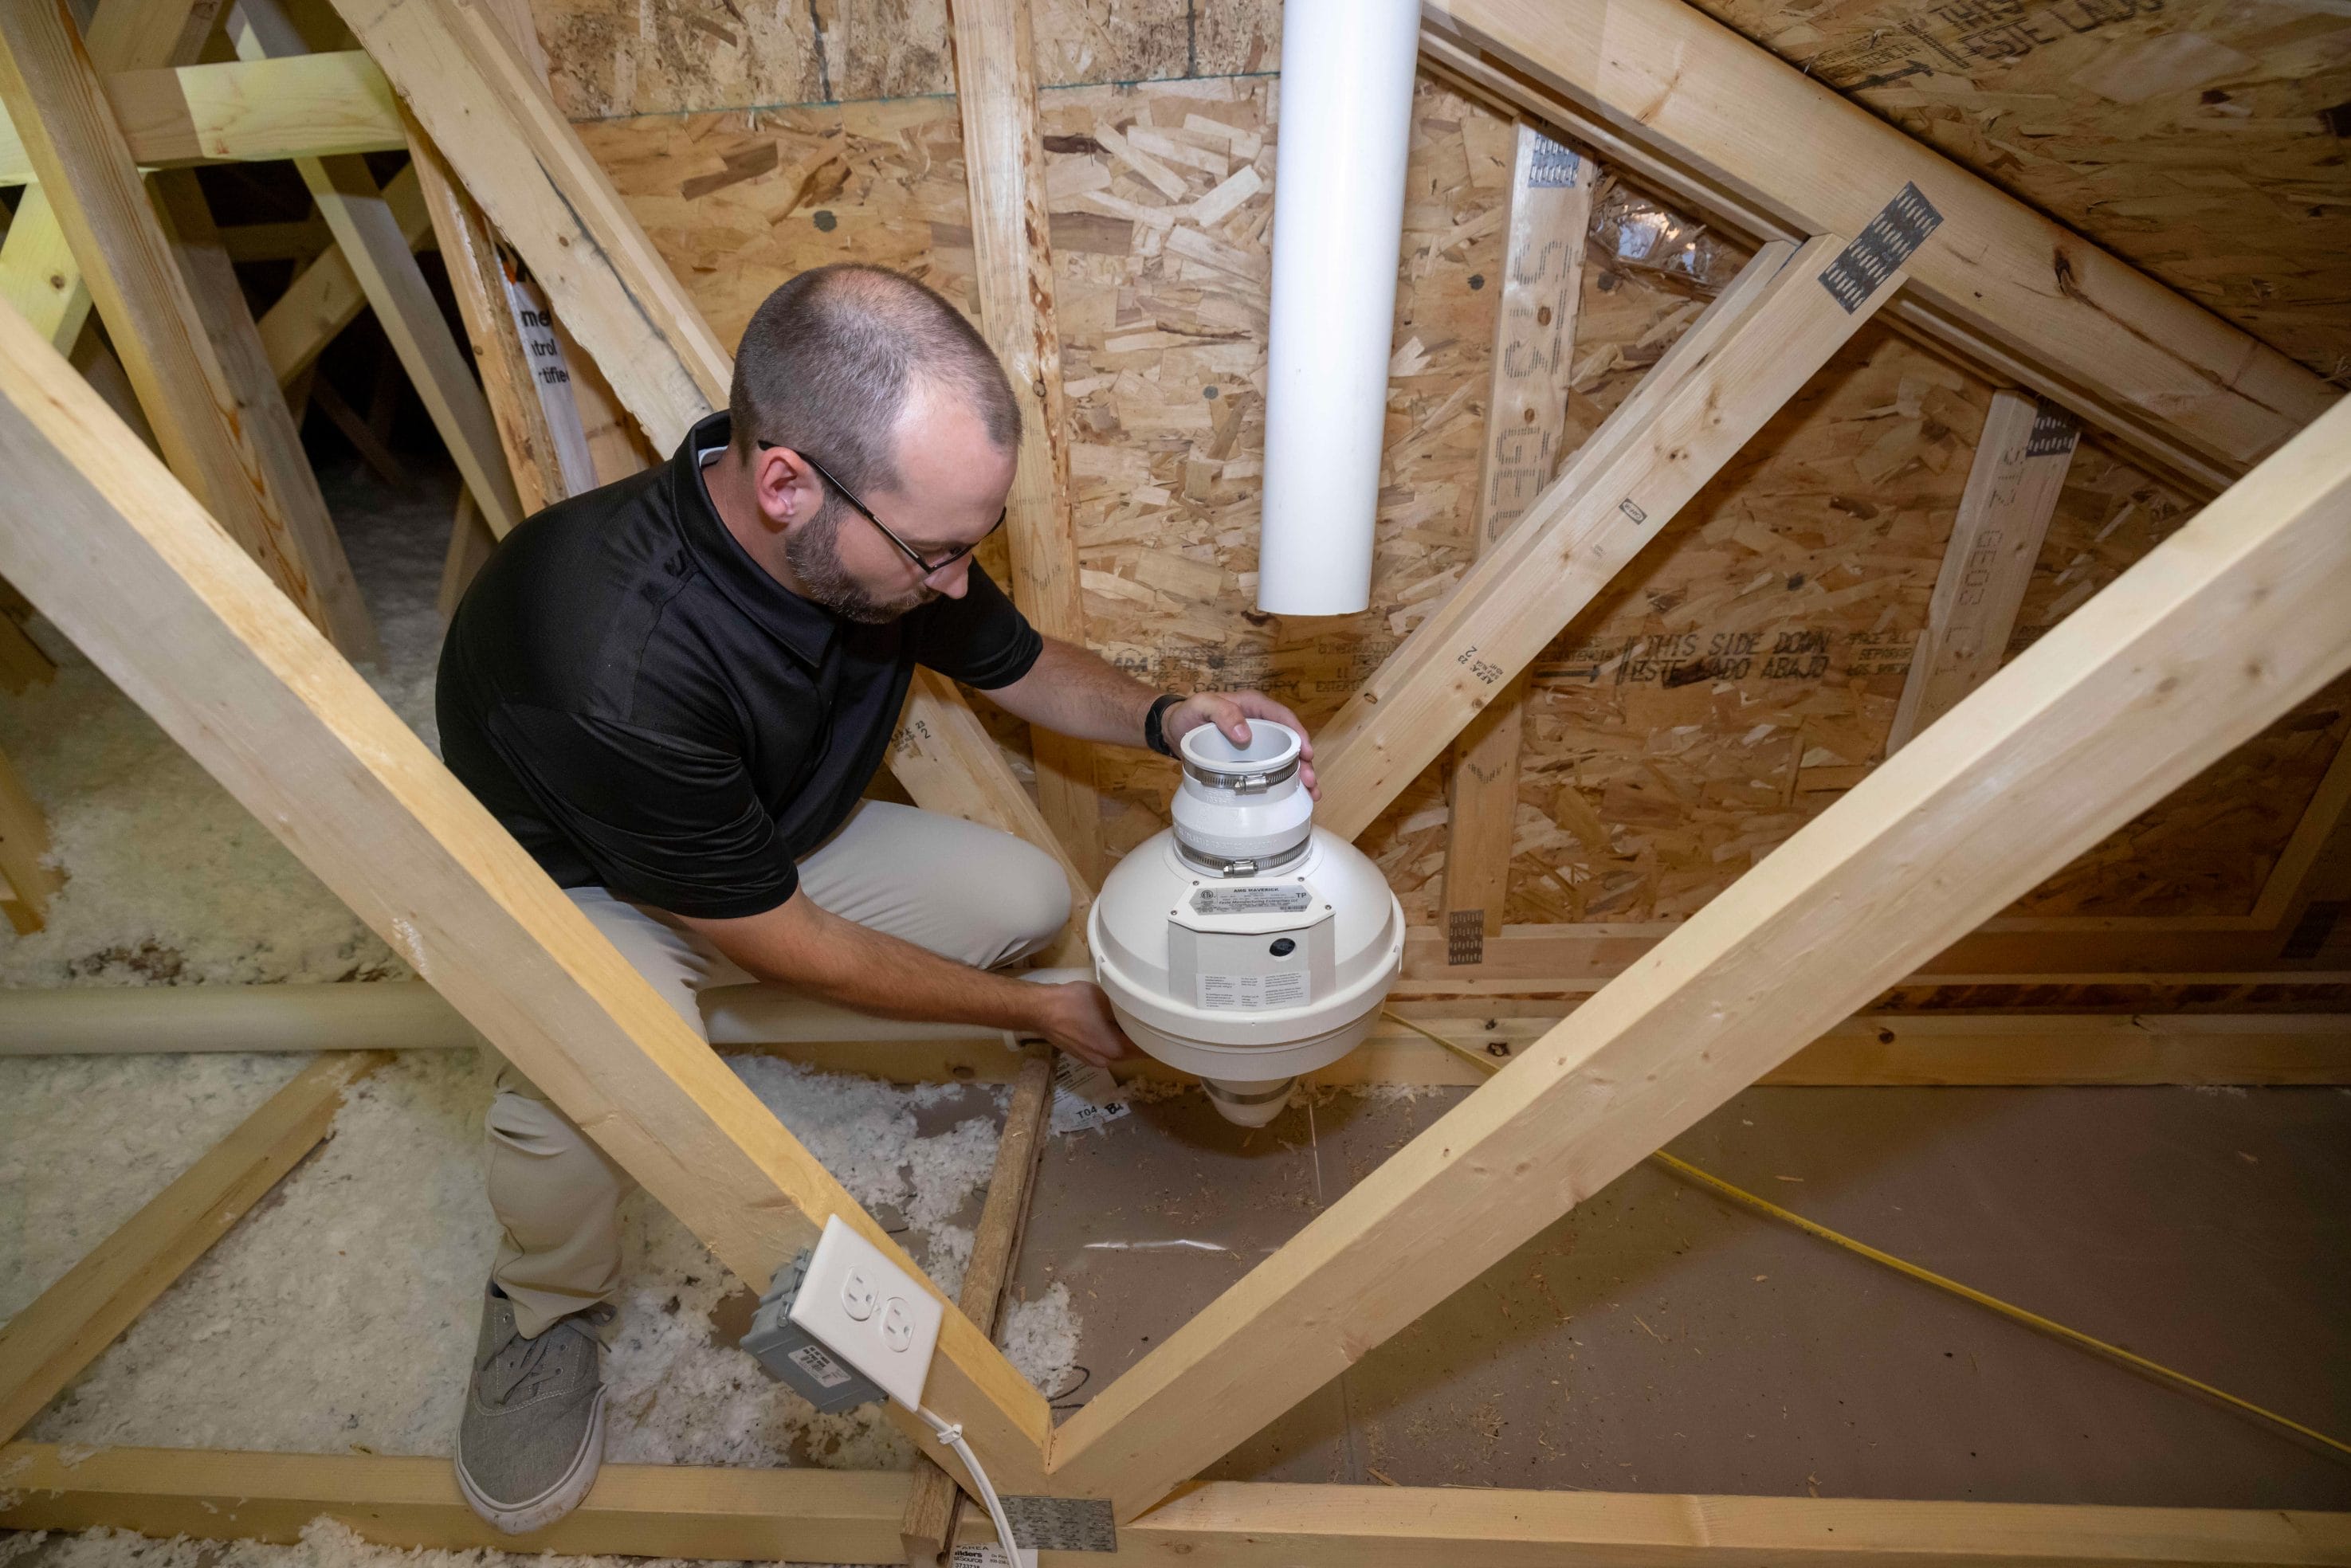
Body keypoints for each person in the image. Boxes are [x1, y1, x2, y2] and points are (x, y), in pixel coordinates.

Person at [434, 262, 1313, 1532]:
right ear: (786, 484)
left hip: (757, 848)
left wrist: (1170, 718)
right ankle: (539, 1310)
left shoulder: (874, 534)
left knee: (1020, 897)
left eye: (969, 547)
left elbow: (1020, 666)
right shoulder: (609, 659)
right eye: (936, 554)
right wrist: (1044, 1014)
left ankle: (712, 1020)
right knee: (593, 1084)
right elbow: (791, 944)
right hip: (591, 890)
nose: (954, 583)